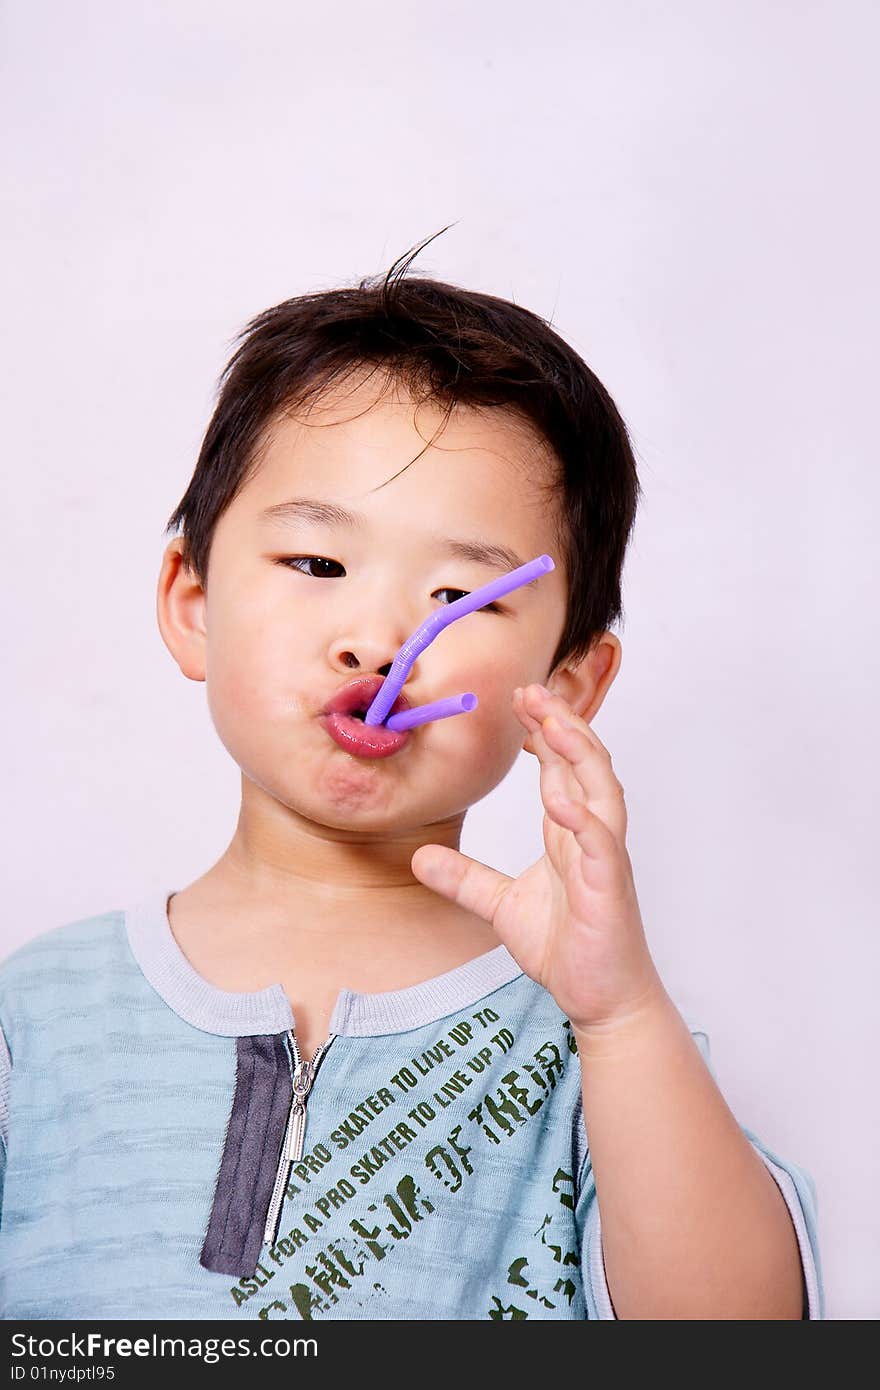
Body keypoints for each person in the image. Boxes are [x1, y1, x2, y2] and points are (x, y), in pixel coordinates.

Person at [0, 236, 825, 1320]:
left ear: (568, 680)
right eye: (317, 565)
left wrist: (619, 1015)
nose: (381, 639)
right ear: (192, 601)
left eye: (462, 598)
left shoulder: (598, 1045)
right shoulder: (36, 1014)